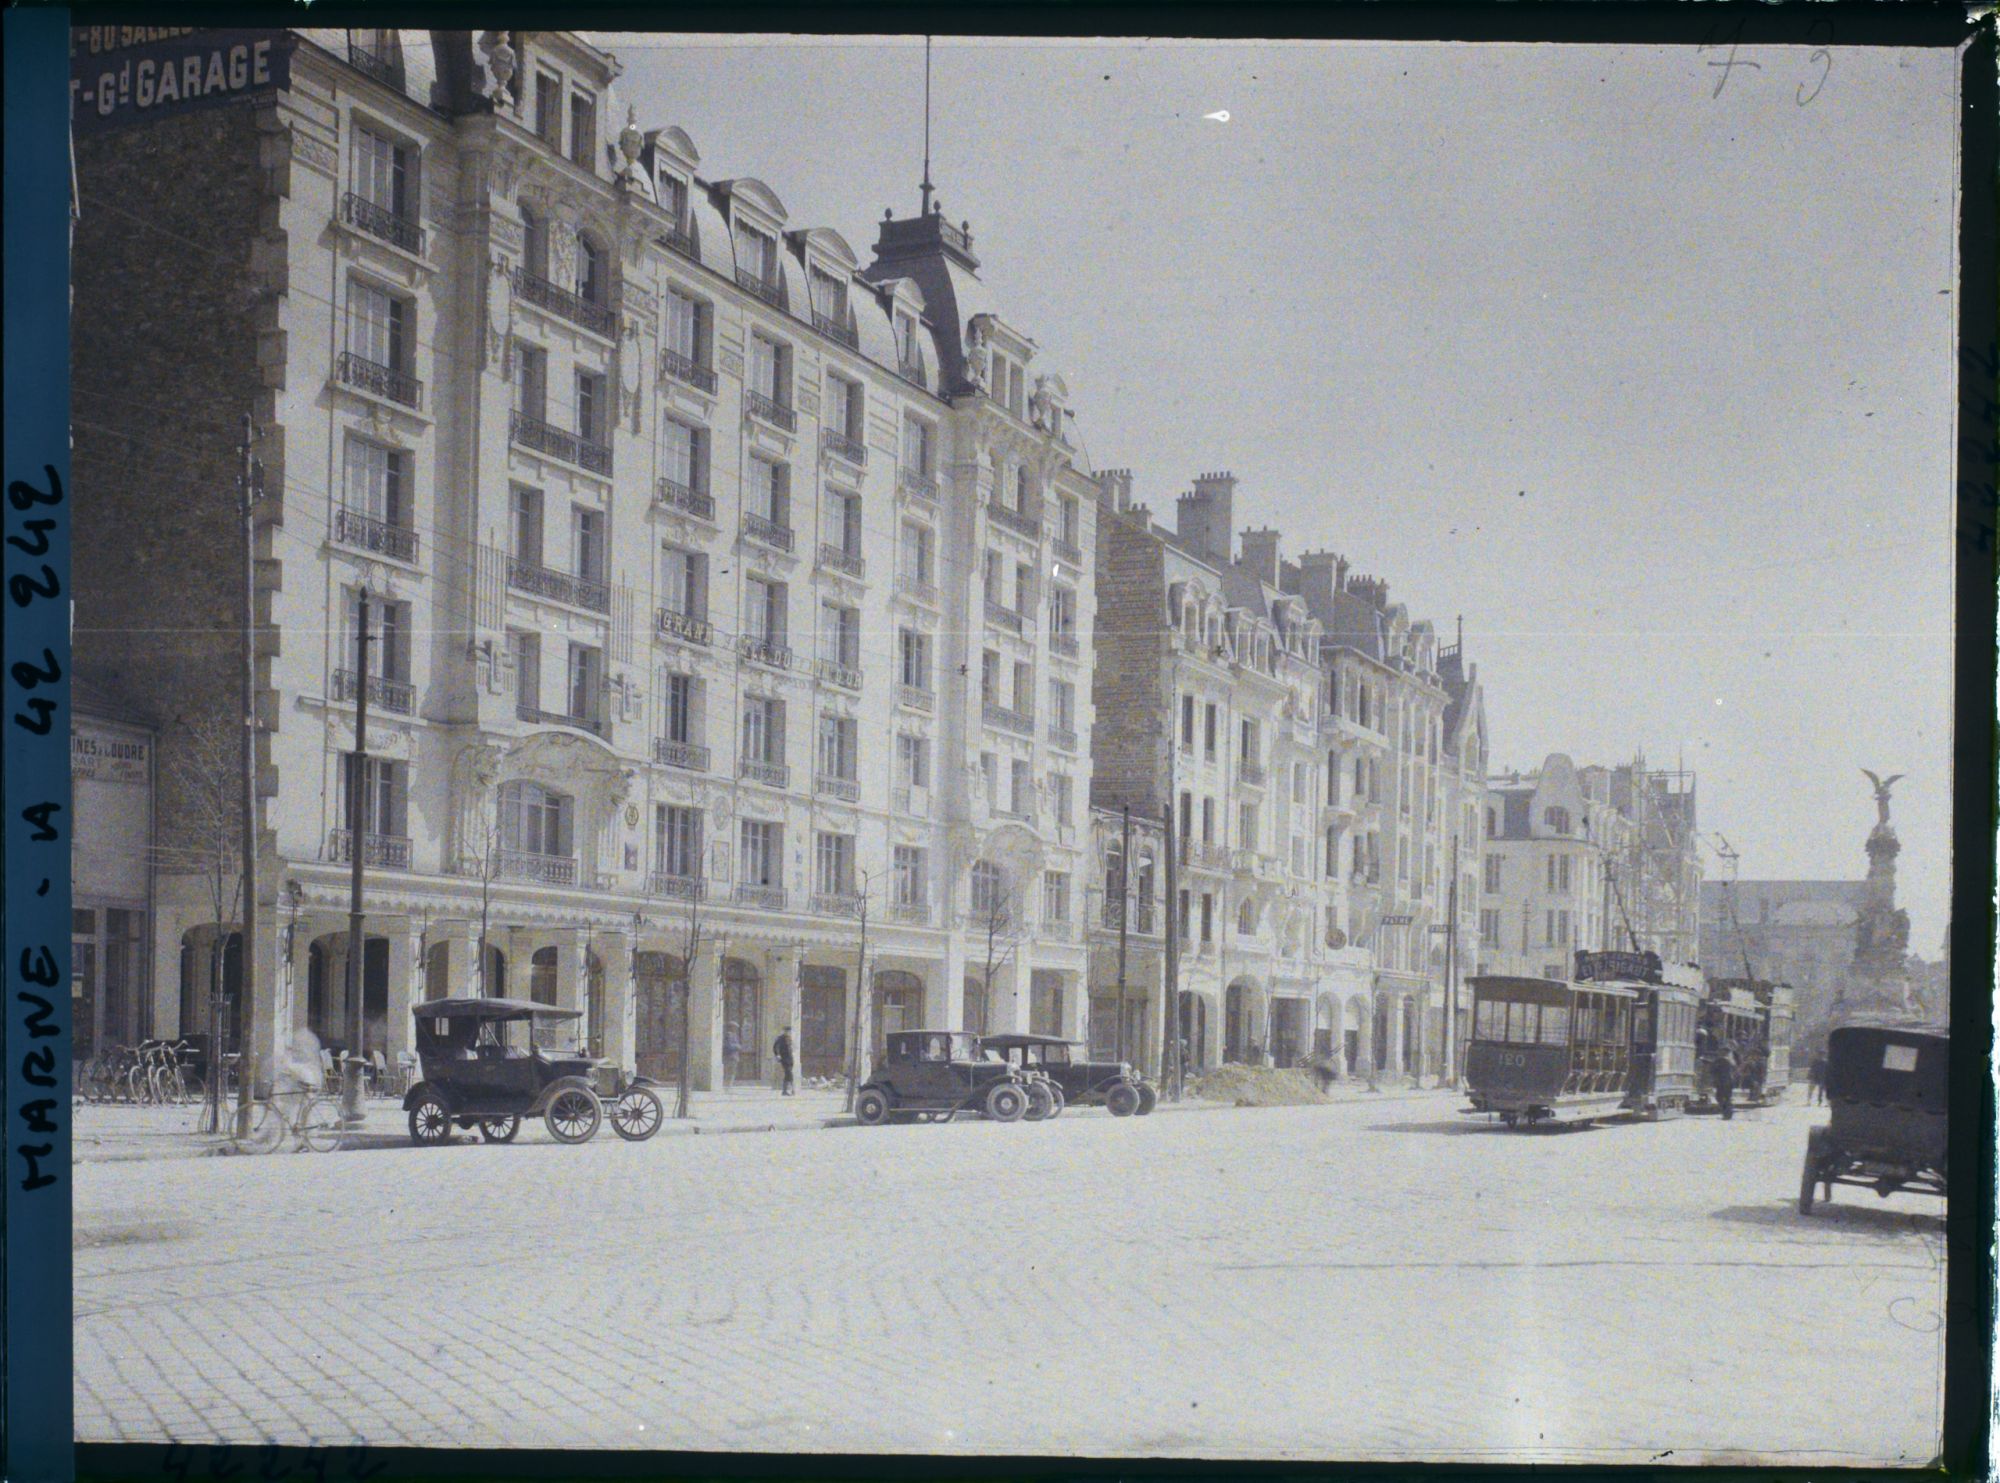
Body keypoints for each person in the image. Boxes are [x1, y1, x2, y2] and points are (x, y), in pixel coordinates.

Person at [274, 1028, 325, 1142]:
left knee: (300, 1109)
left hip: (307, 1082)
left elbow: (291, 1069)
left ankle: (306, 1137)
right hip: (304, 1081)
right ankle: (301, 1136)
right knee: (297, 1108)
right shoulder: (300, 1052)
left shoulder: (301, 1053)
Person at [1712, 1042, 1739, 1121]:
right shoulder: (1730, 1061)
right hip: (1726, 1081)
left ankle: (1727, 1112)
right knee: (1724, 1097)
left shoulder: (1722, 1060)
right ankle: (1727, 1112)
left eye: (1725, 1051)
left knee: (1722, 1097)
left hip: (1724, 1081)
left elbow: (1713, 1070)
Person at [773, 1025, 796, 1096]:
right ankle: (792, 1089)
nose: (788, 1032)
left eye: (789, 1031)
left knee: (787, 1074)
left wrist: (793, 1049)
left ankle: (785, 1091)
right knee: (789, 1073)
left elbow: (792, 1047)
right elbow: (775, 1047)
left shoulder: (790, 1038)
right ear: (784, 1031)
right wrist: (777, 1055)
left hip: (790, 1058)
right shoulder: (780, 1038)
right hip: (784, 1058)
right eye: (787, 1031)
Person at [722, 1022, 742, 1089]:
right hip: (730, 1057)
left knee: (732, 1072)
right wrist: (737, 1046)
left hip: (734, 1057)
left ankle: (729, 1086)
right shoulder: (729, 1035)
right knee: (729, 1072)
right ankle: (727, 1086)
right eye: (735, 1028)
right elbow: (728, 1046)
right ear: (732, 1028)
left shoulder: (734, 1035)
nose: (736, 1029)